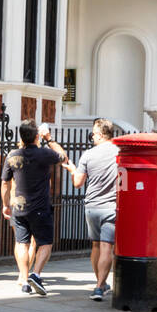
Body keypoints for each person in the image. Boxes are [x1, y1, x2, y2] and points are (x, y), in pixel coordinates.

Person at [0, 121, 68, 296]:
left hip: (19, 207)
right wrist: (49, 138)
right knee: (45, 243)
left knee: (22, 243)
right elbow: (63, 156)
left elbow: (5, 184)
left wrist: (5, 204)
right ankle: (36, 274)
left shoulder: (12, 155)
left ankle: (24, 279)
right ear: (36, 136)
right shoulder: (43, 153)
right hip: (40, 208)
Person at [63, 118, 119, 301]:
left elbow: (78, 183)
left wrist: (72, 170)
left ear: (101, 135)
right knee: (106, 247)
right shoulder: (120, 153)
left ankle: (100, 284)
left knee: (95, 246)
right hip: (111, 207)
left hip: (91, 206)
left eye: (93, 134)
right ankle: (99, 286)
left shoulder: (88, 155)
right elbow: (124, 182)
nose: (91, 137)